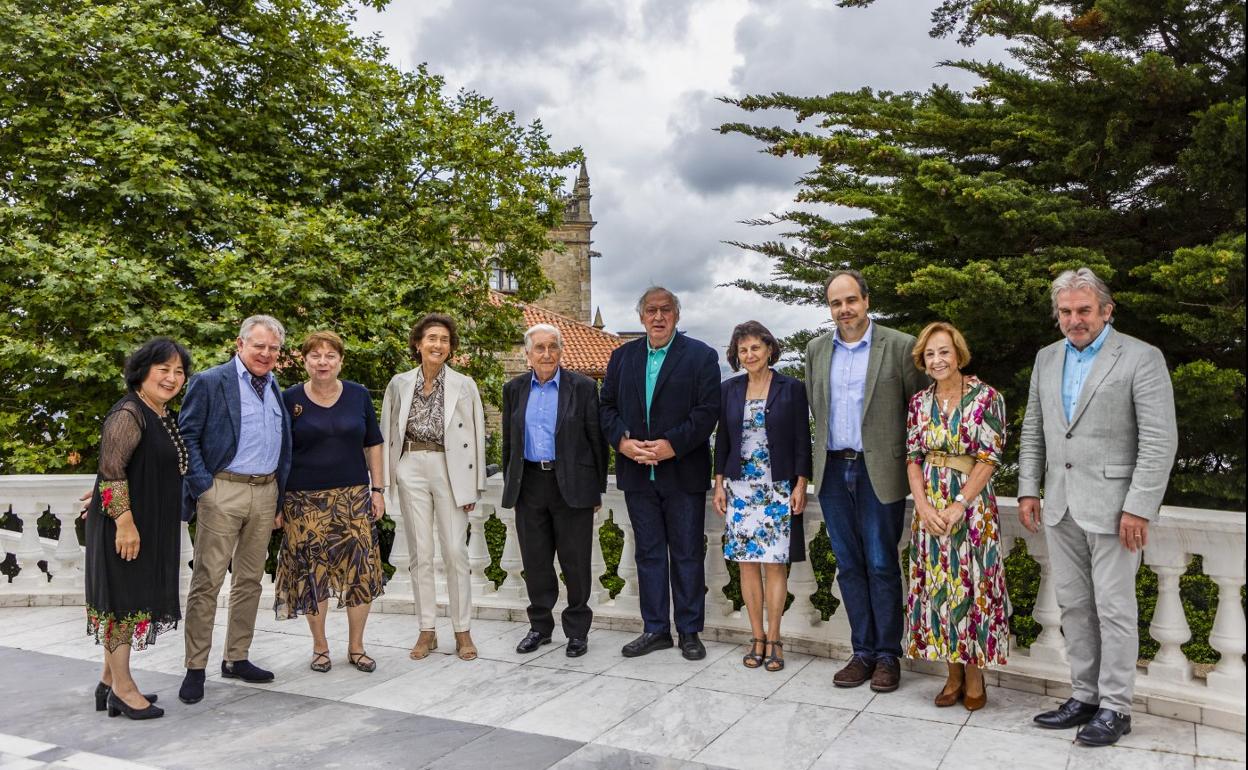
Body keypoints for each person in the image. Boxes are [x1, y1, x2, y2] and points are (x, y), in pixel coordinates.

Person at [1019, 268, 1177, 747]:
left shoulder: (1141, 357)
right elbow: (1034, 429)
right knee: (1074, 607)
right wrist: (1029, 487)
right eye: (1066, 312)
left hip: (1115, 510)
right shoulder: (1046, 359)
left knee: (1114, 610)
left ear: (1106, 310)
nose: (1075, 319)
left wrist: (1139, 507)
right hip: (1060, 506)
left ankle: (1116, 707)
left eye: (1084, 310)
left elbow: (1158, 440)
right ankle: (1084, 696)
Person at [806, 269, 927, 693]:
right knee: (848, 565)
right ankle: (862, 653)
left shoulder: (900, 346)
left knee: (880, 563)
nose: (844, 310)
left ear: (866, 301)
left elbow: (920, 412)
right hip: (833, 472)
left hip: (881, 471)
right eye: (836, 303)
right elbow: (815, 410)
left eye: (851, 300)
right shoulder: (816, 351)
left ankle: (888, 656)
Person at [600, 286, 720, 660]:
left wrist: (672, 444)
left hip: (682, 474)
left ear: (676, 315)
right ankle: (655, 630)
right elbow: (605, 407)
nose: (658, 317)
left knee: (686, 554)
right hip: (637, 476)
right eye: (650, 311)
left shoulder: (701, 356)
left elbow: (707, 411)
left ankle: (688, 631)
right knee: (648, 555)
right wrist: (621, 442)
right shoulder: (621, 358)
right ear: (641, 317)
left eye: (665, 310)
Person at [178, 315, 293, 705]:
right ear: (239, 345)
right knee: (207, 581)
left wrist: (278, 498)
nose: (265, 354)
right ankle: (195, 667)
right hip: (222, 490)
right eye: (258, 345)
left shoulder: (277, 387)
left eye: (273, 348)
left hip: (265, 493)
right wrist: (204, 488)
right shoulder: (212, 381)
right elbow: (187, 434)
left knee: (250, 580)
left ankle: (236, 657)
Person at [904, 322, 1009, 711]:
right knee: (939, 590)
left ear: (958, 354)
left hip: (972, 507)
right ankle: (951, 674)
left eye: (944, 352)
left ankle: (975, 674)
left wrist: (959, 503)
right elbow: (913, 458)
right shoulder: (919, 403)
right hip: (929, 507)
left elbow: (989, 458)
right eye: (930, 354)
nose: (937, 360)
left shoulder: (986, 398)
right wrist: (924, 506)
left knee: (973, 588)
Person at [85, 337, 192, 720]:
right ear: (143, 371)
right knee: (122, 605)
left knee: (126, 600)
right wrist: (124, 523)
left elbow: (132, 465)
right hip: (127, 526)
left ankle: (107, 680)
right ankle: (123, 689)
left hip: (146, 521)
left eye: (178, 371)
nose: (172, 377)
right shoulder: (129, 413)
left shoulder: (159, 412)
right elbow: (112, 473)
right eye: (163, 369)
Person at [274, 331, 386, 673]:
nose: (323, 362)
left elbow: (373, 444)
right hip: (302, 502)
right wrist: (277, 503)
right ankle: (320, 647)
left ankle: (356, 647)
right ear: (304, 360)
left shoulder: (358, 395)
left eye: (330, 355)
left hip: (353, 498)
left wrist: (377, 489)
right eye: (315, 355)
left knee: (360, 573)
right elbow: (278, 452)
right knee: (312, 575)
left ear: (341, 360)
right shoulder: (289, 398)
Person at [382, 313, 487, 662]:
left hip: (451, 466)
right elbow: (388, 434)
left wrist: (475, 486)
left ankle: (462, 630)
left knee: (456, 551)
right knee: (420, 554)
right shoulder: (399, 383)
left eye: (443, 339)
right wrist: (385, 481)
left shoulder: (465, 384)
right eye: (431, 338)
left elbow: (476, 434)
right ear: (418, 343)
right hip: (410, 464)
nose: (437, 345)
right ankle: (427, 629)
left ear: (450, 347)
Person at [501, 324, 609, 658]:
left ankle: (577, 632)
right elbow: (508, 442)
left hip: (573, 486)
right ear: (527, 354)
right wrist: (512, 485)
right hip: (530, 483)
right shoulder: (514, 389)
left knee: (575, 562)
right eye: (540, 348)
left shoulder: (584, 387)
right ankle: (540, 627)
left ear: (561, 351)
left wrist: (596, 490)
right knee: (535, 563)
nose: (546, 354)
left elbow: (598, 442)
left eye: (553, 347)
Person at [712, 321, 811, 672]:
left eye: (756, 347)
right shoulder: (729, 390)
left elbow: (803, 437)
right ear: (736, 355)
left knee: (774, 565)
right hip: (741, 489)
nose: (750, 354)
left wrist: (801, 483)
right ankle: (755, 637)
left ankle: (775, 638)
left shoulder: (791, 388)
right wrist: (718, 482)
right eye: (743, 350)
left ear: (769, 349)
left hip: (777, 488)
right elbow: (723, 438)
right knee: (747, 566)